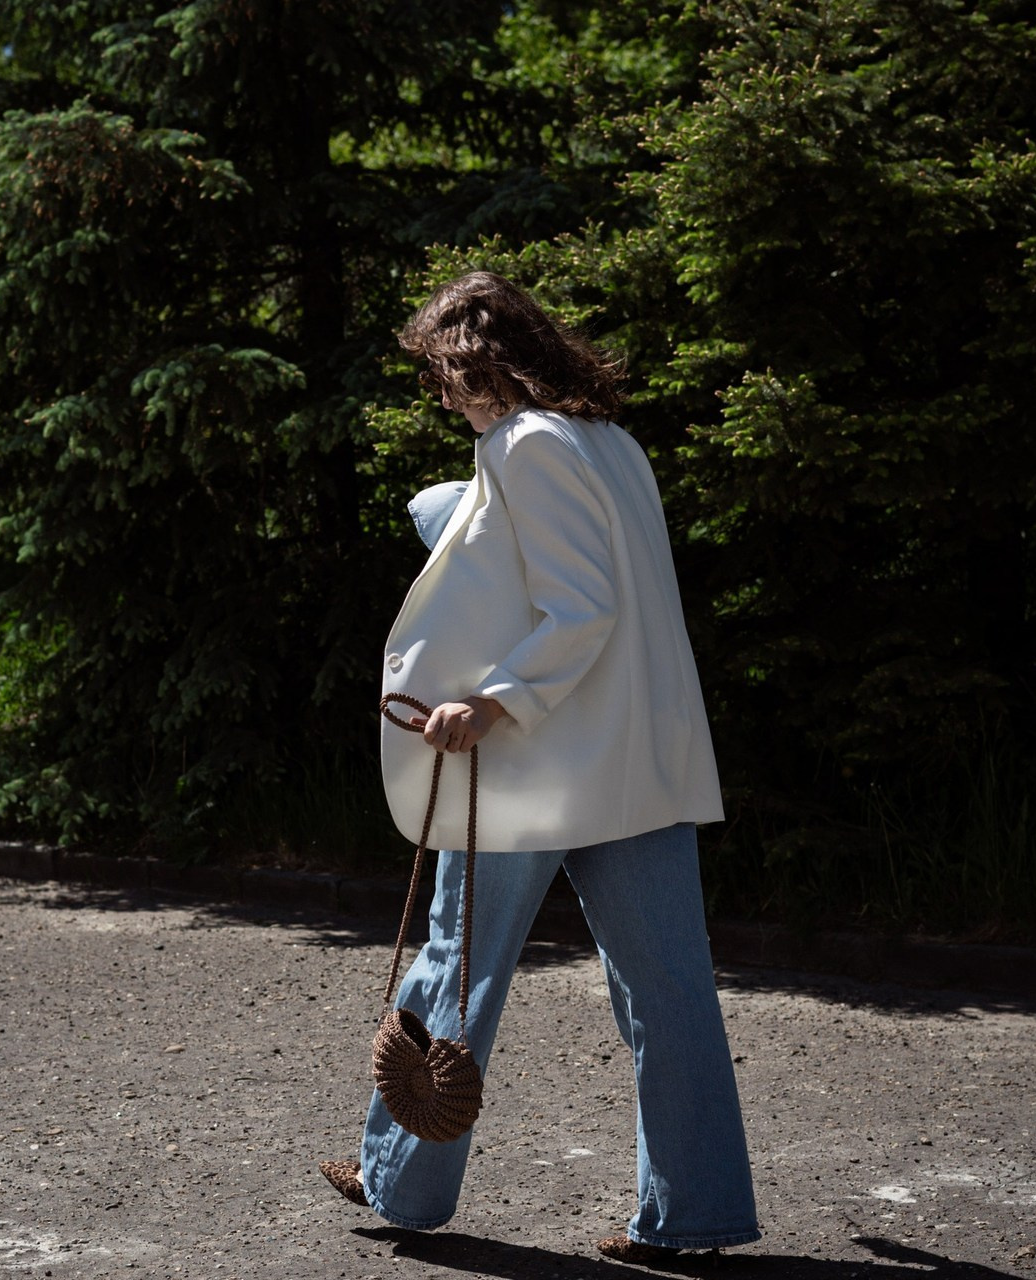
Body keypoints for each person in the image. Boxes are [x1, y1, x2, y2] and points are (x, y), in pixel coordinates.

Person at [319, 271, 760, 1265]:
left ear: (482, 358)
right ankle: (691, 1215)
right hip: (631, 763)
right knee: (669, 987)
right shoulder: (608, 445)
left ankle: (403, 1179)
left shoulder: (521, 445)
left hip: (532, 757)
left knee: (456, 960)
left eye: (441, 373)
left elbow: (580, 605)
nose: (437, 395)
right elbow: (554, 575)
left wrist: (488, 700)